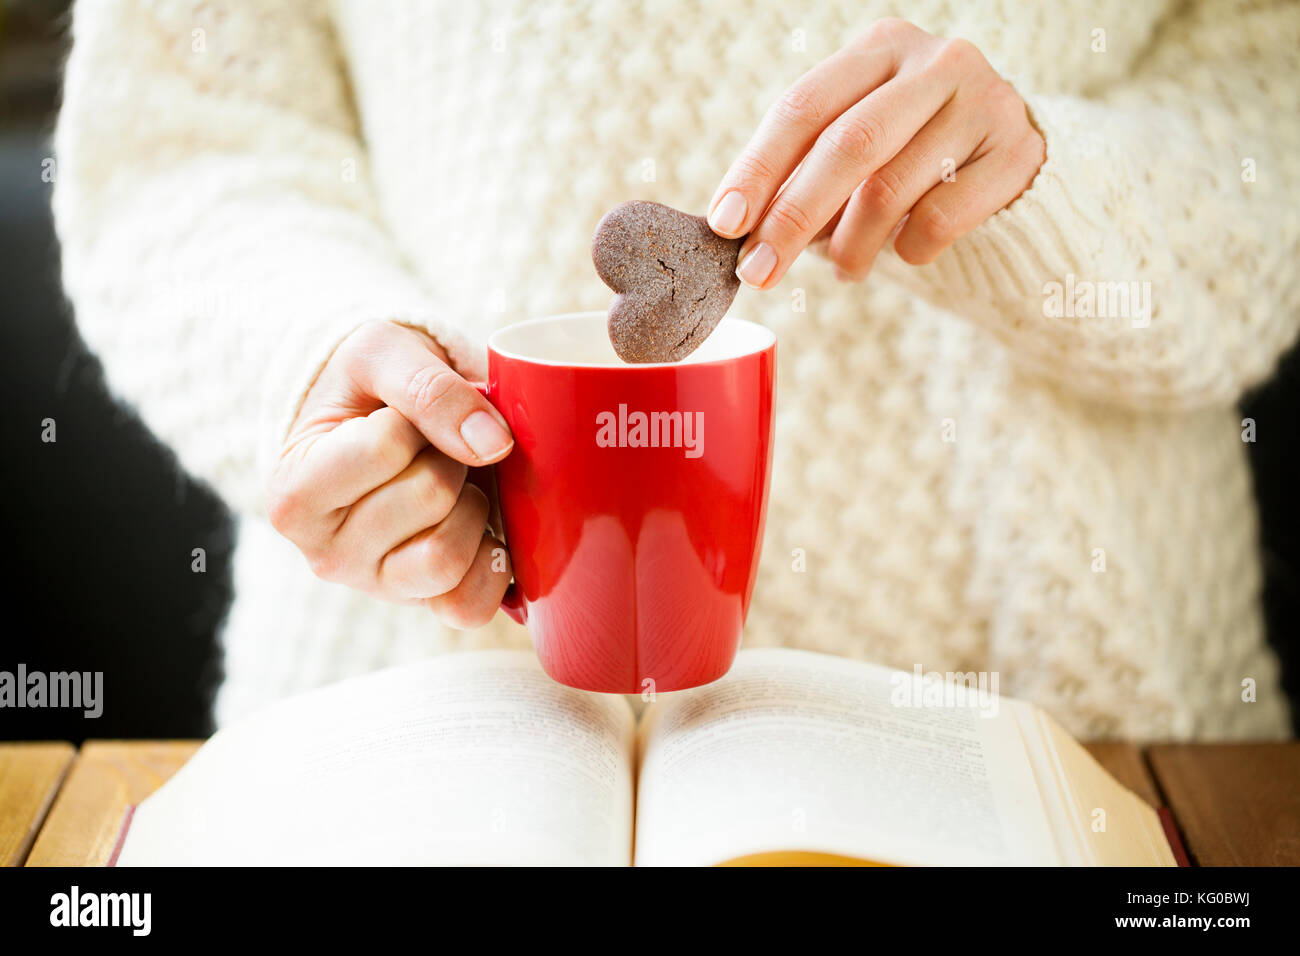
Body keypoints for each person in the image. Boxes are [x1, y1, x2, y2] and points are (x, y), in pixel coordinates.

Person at [54, 0, 1298, 738]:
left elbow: (1267, 125)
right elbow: (181, 148)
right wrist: (322, 351)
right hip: (429, 716)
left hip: (1092, 727)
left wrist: (1041, 191)